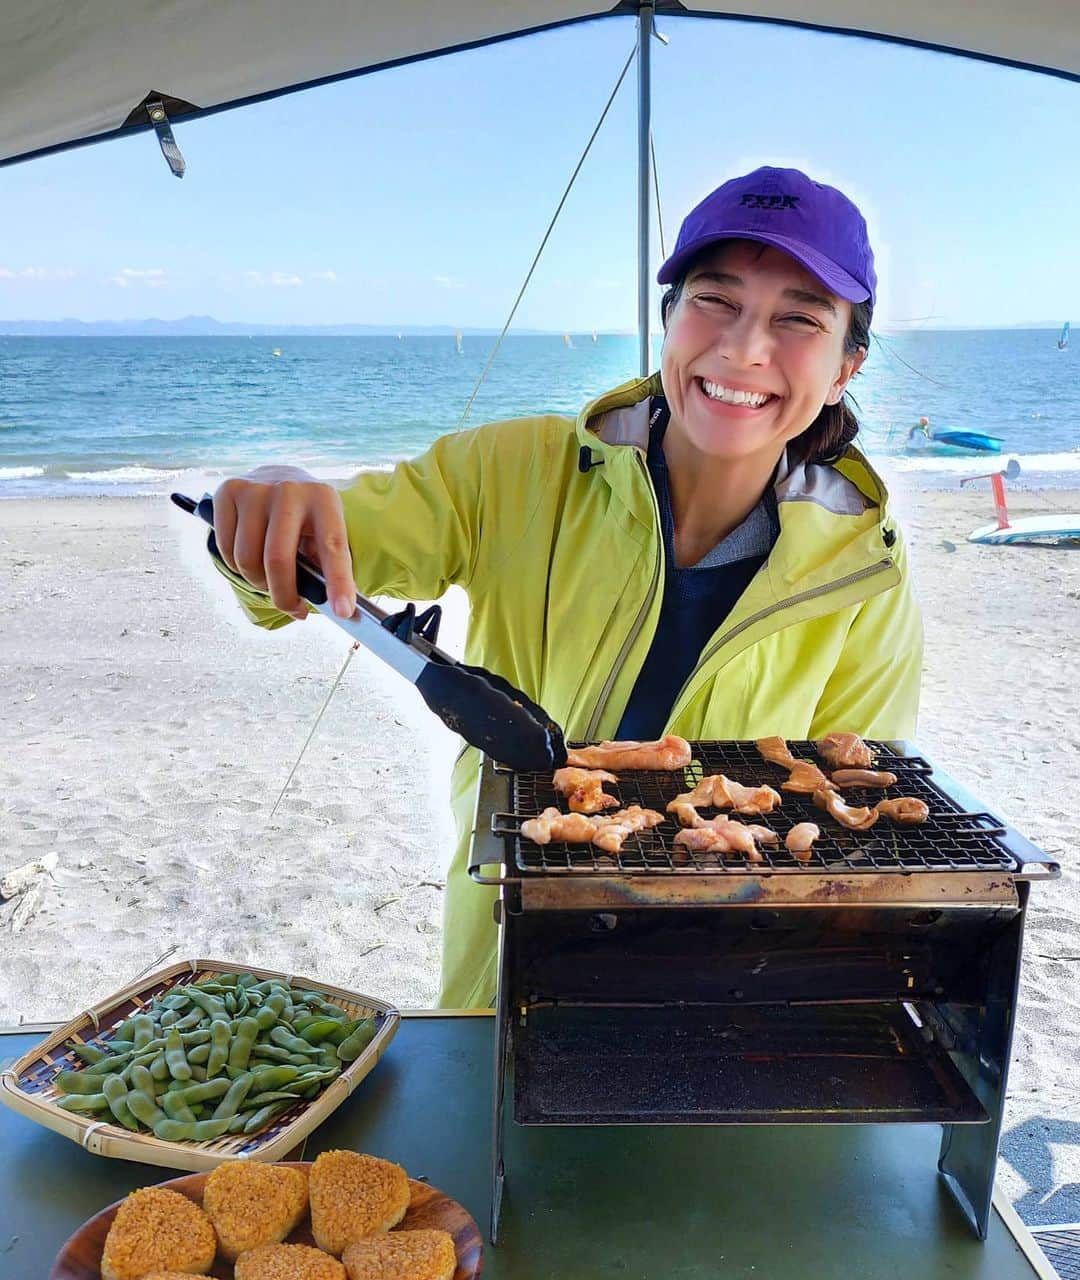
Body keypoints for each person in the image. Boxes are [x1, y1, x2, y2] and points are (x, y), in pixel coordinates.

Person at [210, 165, 923, 1009]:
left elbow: (862, 787)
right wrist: (268, 503)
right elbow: (309, 556)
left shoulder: (863, 569)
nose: (741, 348)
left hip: (735, 979)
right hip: (513, 947)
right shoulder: (513, 471)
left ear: (846, 367)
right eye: (714, 299)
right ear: (668, 321)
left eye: (798, 319)